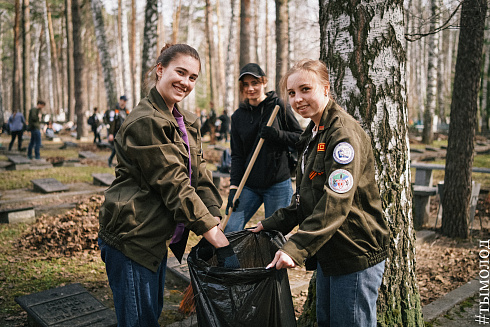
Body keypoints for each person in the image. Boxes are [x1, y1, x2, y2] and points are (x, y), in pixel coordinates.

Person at [97, 43, 240, 327]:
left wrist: (213, 215)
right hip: (132, 238)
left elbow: (199, 173)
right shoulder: (146, 121)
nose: (186, 83)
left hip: (155, 235)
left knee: (151, 313)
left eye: (192, 78)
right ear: (160, 70)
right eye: (180, 72)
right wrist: (217, 240)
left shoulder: (184, 121)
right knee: (140, 321)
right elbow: (174, 184)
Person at [251, 59, 390, 327]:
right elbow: (307, 197)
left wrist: (296, 247)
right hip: (330, 248)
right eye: (291, 93)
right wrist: (270, 224)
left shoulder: (342, 134)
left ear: (326, 89)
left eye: (305, 89)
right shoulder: (314, 131)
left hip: (354, 250)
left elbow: (335, 202)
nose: (298, 99)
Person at [224, 63, 303, 232]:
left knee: (274, 233)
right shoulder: (238, 117)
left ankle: (271, 259)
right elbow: (237, 155)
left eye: (255, 83)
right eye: (246, 84)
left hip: (277, 183)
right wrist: (233, 188)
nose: (250, 88)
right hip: (249, 184)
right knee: (231, 228)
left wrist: (277, 135)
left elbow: (300, 137)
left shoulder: (277, 106)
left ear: (264, 82)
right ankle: (231, 260)